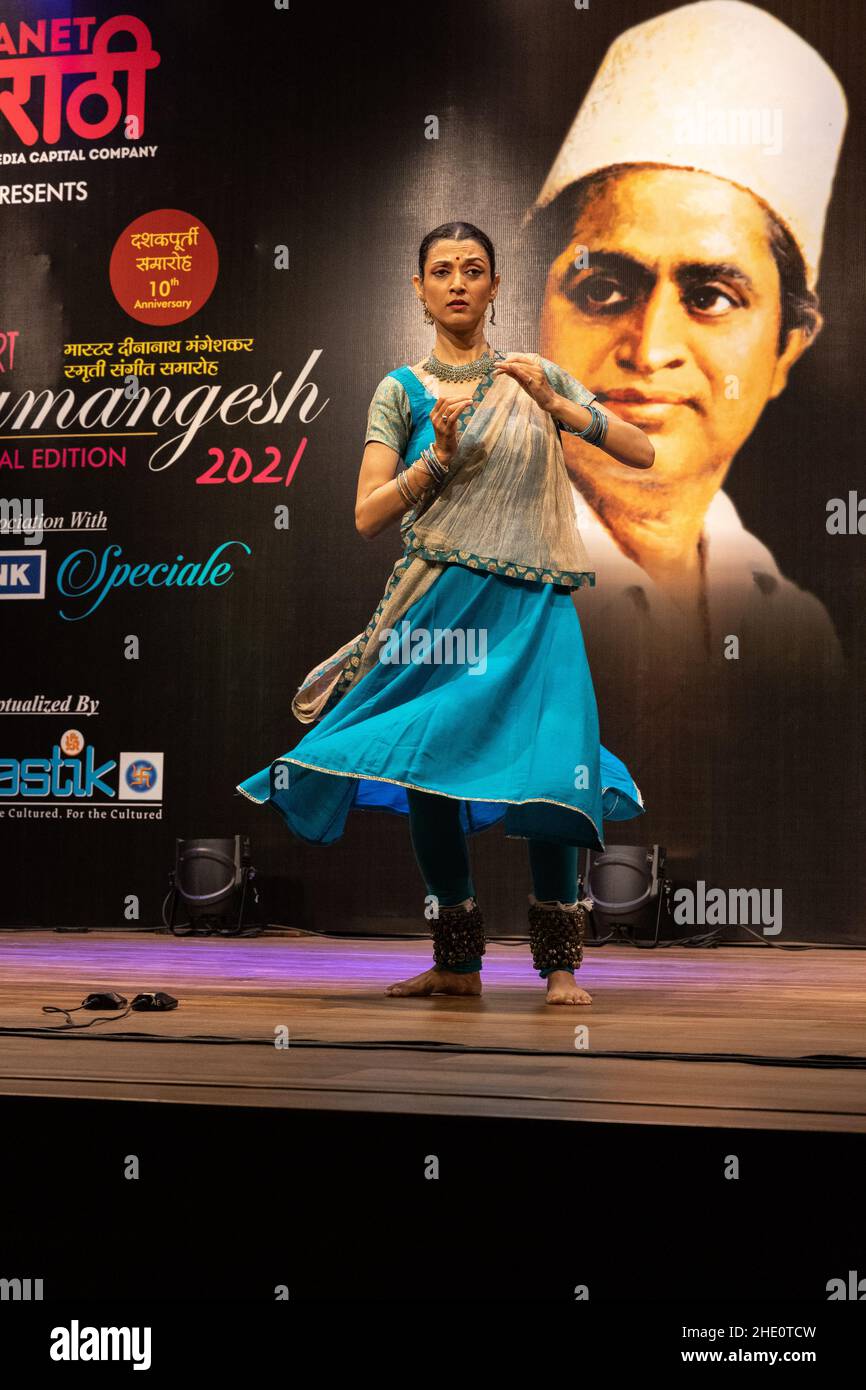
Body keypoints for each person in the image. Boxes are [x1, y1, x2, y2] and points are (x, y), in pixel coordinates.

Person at [236, 221, 654, 1005]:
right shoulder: (403, 391)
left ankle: (560, 968)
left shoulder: (534, 377)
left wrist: (568, 410)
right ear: (419, 289)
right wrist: (436, 460)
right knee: (430, 767)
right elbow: (366, 515)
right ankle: (458, 963)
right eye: (441, 271)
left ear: (496, 287)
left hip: (533, 603)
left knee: (551, 764)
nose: (458, 282)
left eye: (473, 270)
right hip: (440, 606)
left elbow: (641, 451)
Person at [521, 0, 848, 691]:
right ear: (532, 311)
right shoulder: (467, 593)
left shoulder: (793, 633)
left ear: (787, 349)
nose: (651, 349)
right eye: (604, 290)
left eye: (711, 298)